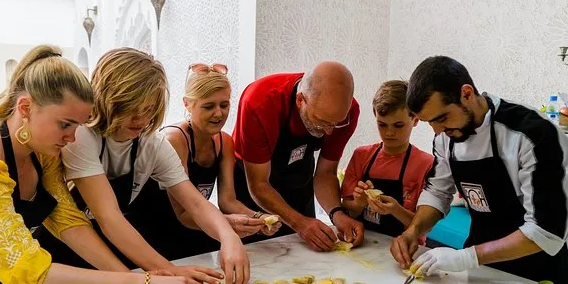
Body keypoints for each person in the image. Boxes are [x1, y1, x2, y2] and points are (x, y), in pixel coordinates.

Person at [0, 45, 212, 284]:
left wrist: (136, 281)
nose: (72, 138)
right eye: (65, 124)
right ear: (25, 107)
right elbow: (27, 271)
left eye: (78, 126)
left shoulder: (43, 157)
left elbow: (70, 224)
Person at [44, 48, 249, 284]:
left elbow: (194, 202)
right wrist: (168, 270)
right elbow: (109, 217)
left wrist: (228, 237)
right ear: (108, 97)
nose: (140, 118)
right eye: (131, 107)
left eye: (149, 109)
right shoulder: (81, 137)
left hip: (118, 251)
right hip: (68, 254)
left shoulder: (152, 143)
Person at [390, 56, 568, 284]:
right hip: (482, 269)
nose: (438, 131)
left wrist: (465, 257)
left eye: (442, 118)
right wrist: (413, 231)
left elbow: (546, 230)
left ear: (466, 94)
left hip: (538, 272)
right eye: (429, 123)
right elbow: (437, 193)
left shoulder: (530, 134)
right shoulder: (446, 138)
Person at [133, 63, 281, 258]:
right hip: (156, 237)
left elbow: (227, 201)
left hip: (197, 230)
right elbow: (184, 213)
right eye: (208, 106)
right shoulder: (174, 140)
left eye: (224, 105)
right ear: (187, 104)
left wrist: (259, 219)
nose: (218, 114)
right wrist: (226, 225)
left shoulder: (224, 141)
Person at [232, 62, 364, 252]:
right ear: (301, 100)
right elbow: (259, 184)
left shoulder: (347, 112)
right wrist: (300, 223)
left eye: (335, 123)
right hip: (253, 185)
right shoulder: (259, 102)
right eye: (322, 122)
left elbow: (326, 173)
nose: (329, 131)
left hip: (298, 176)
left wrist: (337, 214)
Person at [341, 80, 433, 238]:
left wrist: (396, 210)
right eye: (382, 125)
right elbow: (348, 210)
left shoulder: (426, 164)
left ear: (415, 120)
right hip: (364, 243)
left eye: (398, 125)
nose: (389, 132)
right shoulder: (361, 156)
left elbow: (425, 228)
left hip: (405, 249)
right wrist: (359, 203)